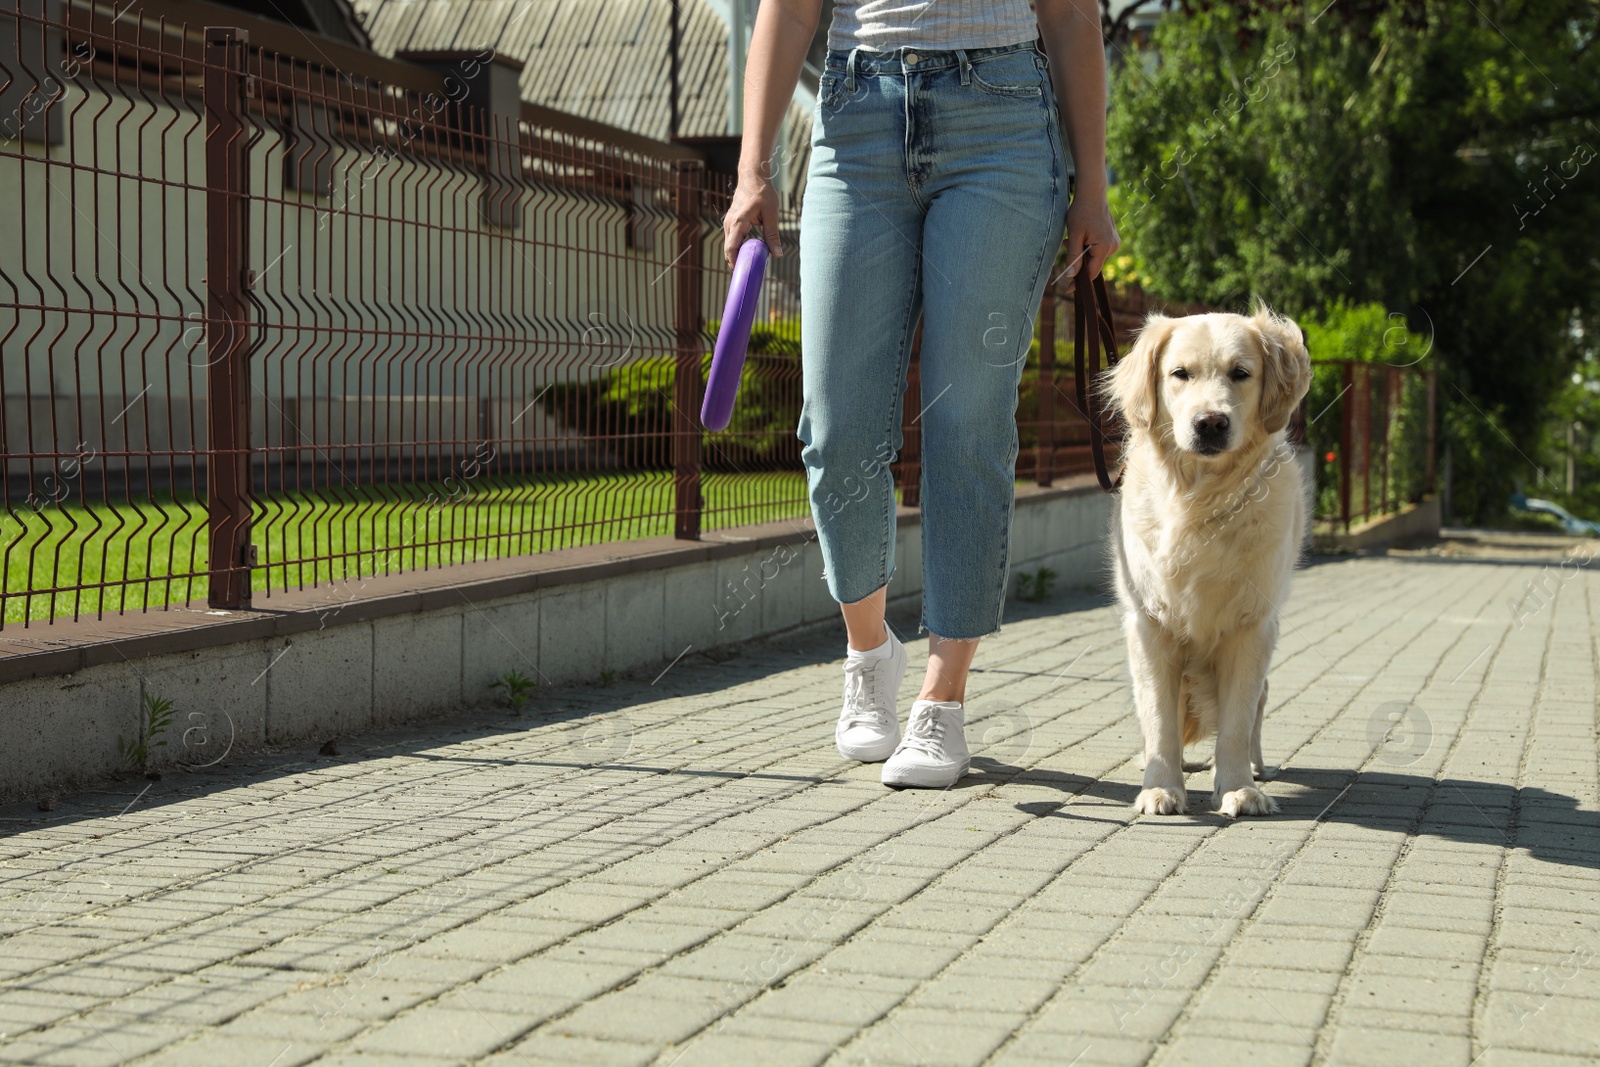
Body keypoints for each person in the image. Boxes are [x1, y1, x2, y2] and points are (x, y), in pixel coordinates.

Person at [723, 0, 1120, 788]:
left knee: (967, 420)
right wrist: (753, 170)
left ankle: (943, 699)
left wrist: (1093, 186)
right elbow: (792, 8)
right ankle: (870, 652)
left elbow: (1072, 15)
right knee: (835, 429)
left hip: (1003, 122)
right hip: (855, 120)